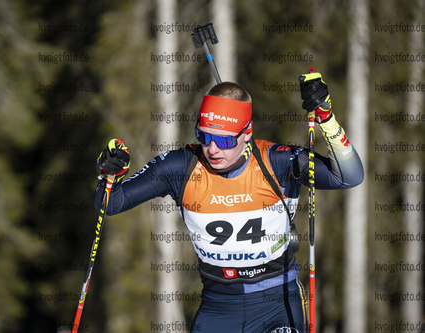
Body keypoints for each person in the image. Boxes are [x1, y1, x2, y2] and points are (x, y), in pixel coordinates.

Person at [95, 71, 364, 333]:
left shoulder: (277, 162)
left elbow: (349, 176)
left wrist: (326, 119)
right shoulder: (181, 166)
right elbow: (111, 204)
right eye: (204, 136)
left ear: (247, 133)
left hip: (277, 300)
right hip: (219, 304)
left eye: (223, 139)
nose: (212, 149)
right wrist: (110, 174)